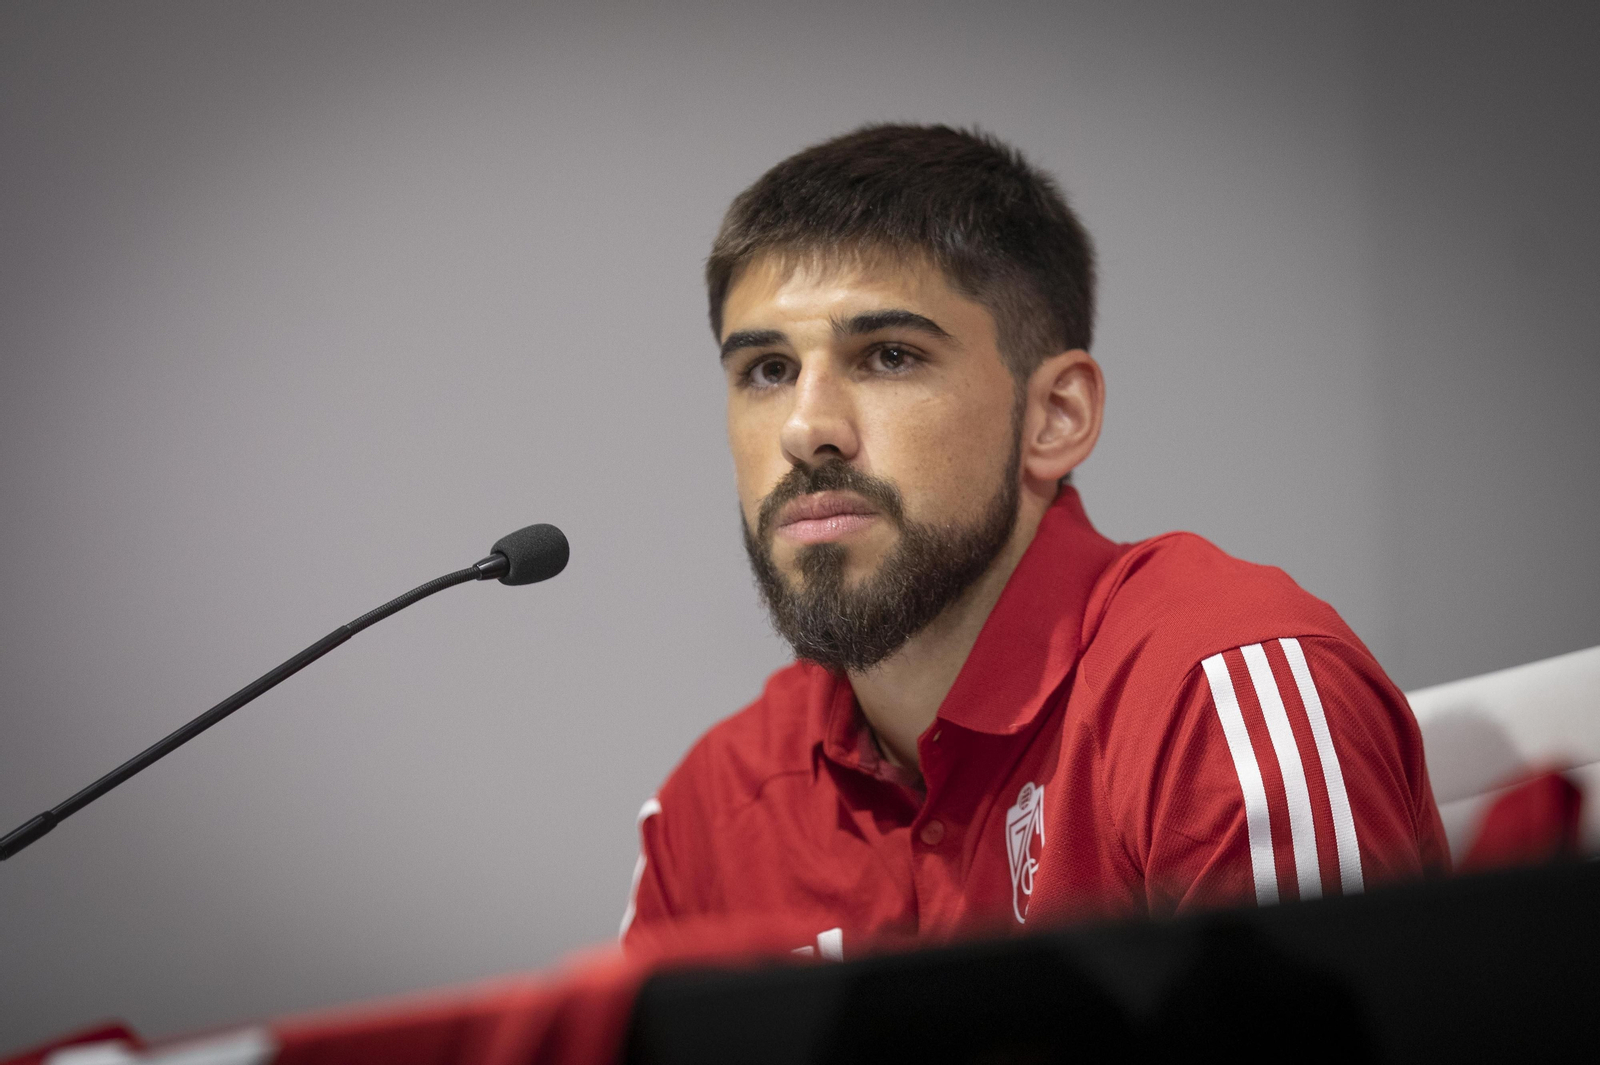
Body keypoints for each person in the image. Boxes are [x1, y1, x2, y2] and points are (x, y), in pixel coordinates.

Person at [620, 124, 1449, 957]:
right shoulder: (706, 815)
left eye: (890, 355)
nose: (807, 429)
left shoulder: (1220, 694)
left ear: (1056, 416)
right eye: (767, 369)